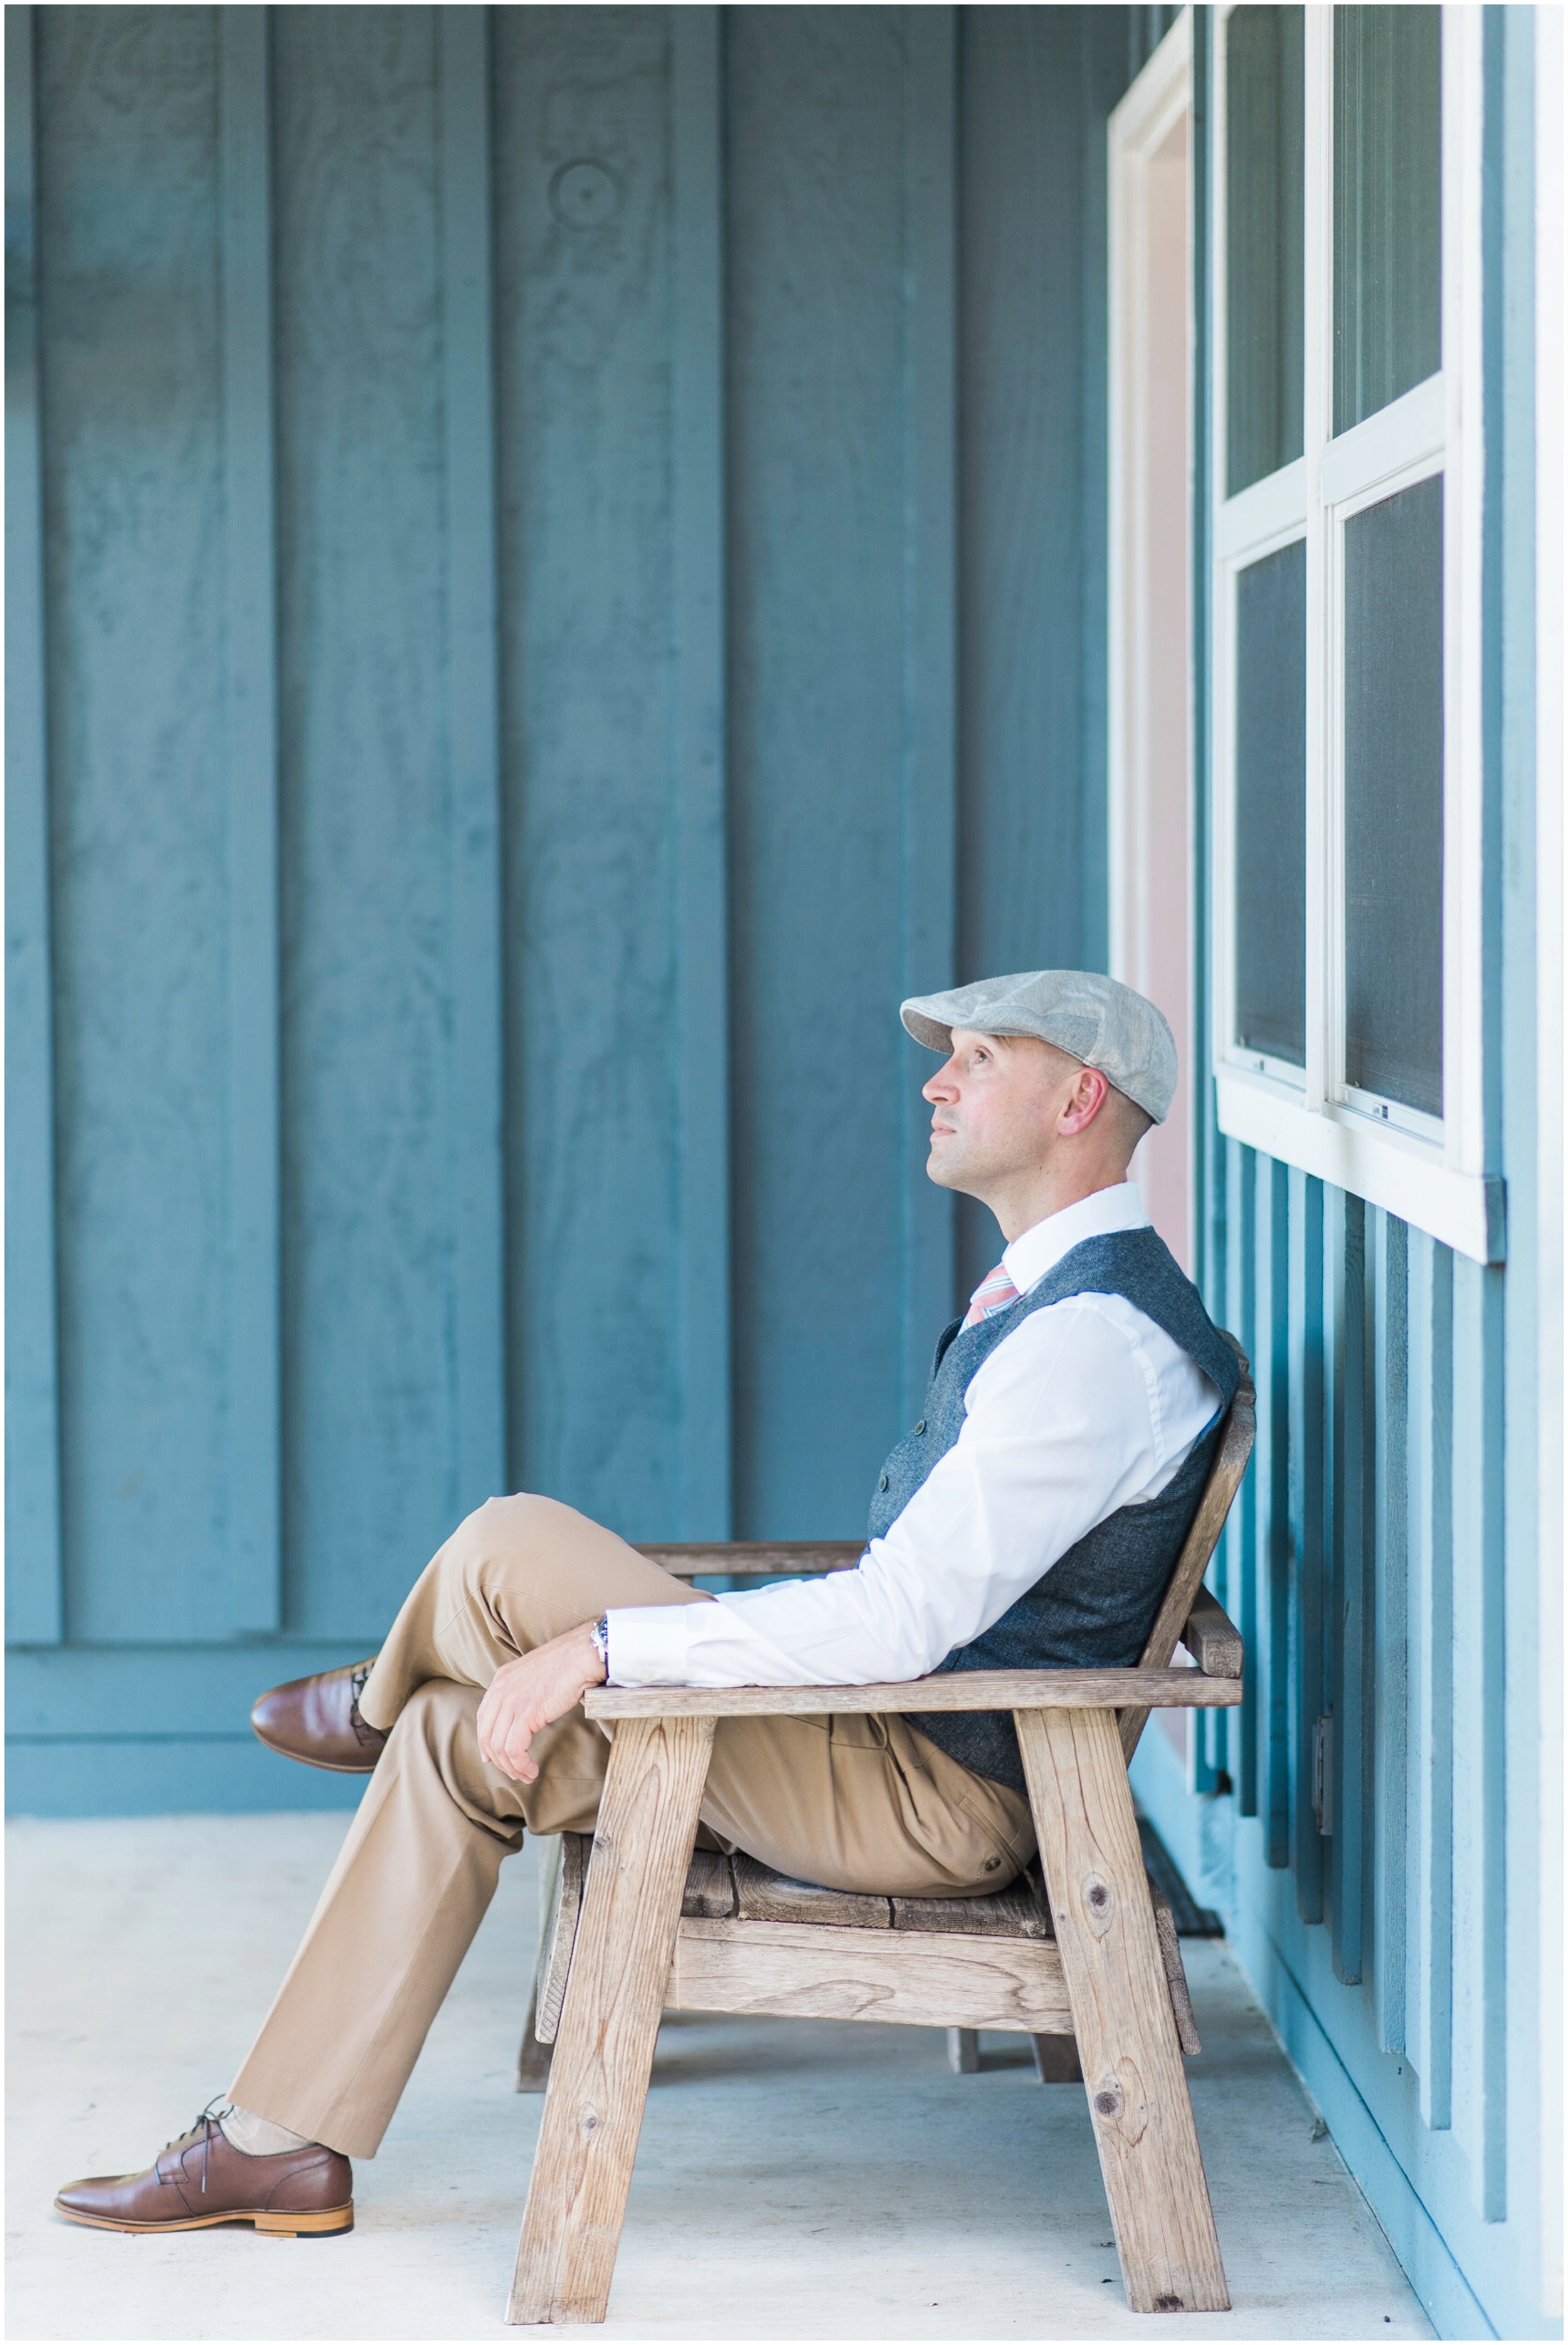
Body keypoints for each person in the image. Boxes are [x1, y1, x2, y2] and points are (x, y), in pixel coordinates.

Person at [53, 969, 1238, 2238]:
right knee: (460, 1742)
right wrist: (609, 1653)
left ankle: (370, 1696)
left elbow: (897, 1624)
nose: (935, 1084)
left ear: (1078, 1099)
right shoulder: (1060, 1306)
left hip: (933, 1794)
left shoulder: (1091, 1345)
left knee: (512, 1545)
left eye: (979, 1059)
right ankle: (277, 2144)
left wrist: (604, 1647)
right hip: (890, 1743)